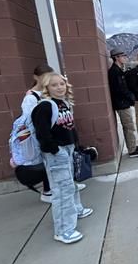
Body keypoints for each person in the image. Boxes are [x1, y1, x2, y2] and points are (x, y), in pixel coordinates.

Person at [32, 73, 93, 244]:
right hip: (56, 153)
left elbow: (69, 128)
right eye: (54, 85)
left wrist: (76, 146)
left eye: (62, 84)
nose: (59, 87)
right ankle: (63, 230)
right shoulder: (45, 106)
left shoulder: (63, 103)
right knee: (61, 190)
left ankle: (76, 210)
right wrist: (55, 150)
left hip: (68, 149)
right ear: (46, 88)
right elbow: (42, 134)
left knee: (71, 184)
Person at [13, 64, 54, 203]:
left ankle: (56, 187)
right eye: (45, 77)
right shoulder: (30, 98)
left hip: (47, 132)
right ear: (36, 77)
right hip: (39, 137)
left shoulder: (46, 92)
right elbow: (30, 120)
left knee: (52, 162)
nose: (48, 80)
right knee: (47, 162)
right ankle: (48, 191)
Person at [108, 48, 138, 158]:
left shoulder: (119, 70)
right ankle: (132, 150)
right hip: (121, 104)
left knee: (129, 126)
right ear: (116, 58)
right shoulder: (115, 72)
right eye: (123, 56)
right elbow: (120, 89)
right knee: (129, 127)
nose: (125, 57)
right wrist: (131, 97)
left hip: (123, 102)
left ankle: (133, 146)